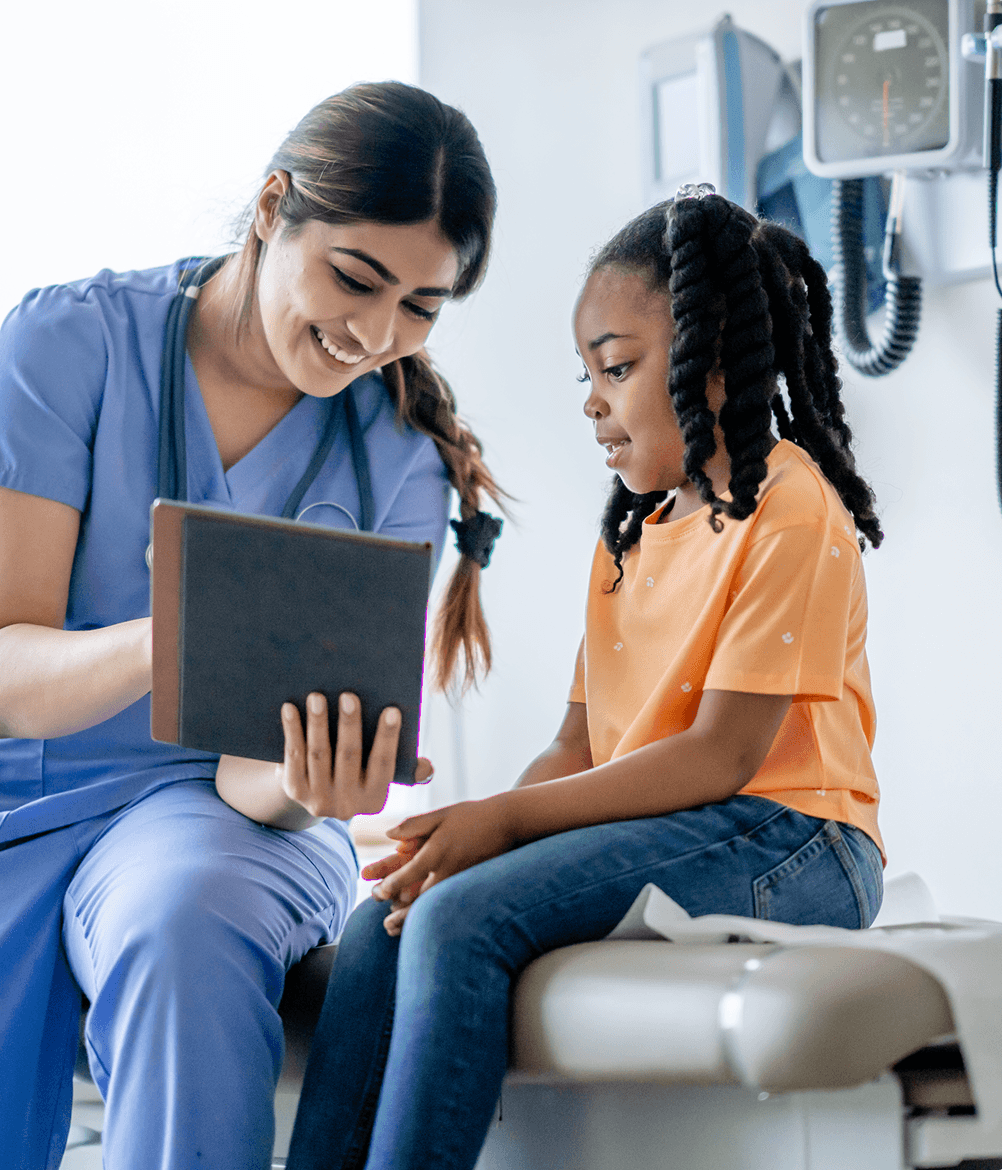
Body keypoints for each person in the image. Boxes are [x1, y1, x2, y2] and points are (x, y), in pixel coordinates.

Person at [0, 81, 501, 1170]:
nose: (375, 337)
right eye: (355, 279)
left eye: (421, 307)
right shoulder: (66, 345)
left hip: (202, 809)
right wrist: (187, 629)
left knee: (190, 916)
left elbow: (248, 780)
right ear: (273, 209)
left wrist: (308, 784)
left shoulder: (398, 459)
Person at [285, 186, 888, 1170]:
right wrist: (467, 829)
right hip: (675, 824)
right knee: (387, 923)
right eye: (587, 374)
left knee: (460, 921)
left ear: (714, 363)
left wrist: (507, 831)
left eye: (616, 367)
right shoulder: (629, 537)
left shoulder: (791, 509)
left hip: (797, 837)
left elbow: (721, 755)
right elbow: (577, 744)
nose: (592, 401)